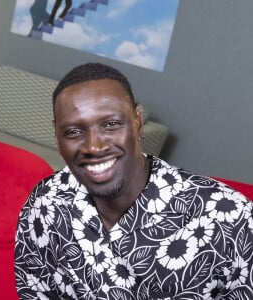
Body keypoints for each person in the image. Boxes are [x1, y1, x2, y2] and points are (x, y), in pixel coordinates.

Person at [14, 62, 253, 299]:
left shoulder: (231, 219)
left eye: (111, 124)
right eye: (74, 132)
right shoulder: (46, 202)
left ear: (137, 123)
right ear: (56, 136)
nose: (94, 147)